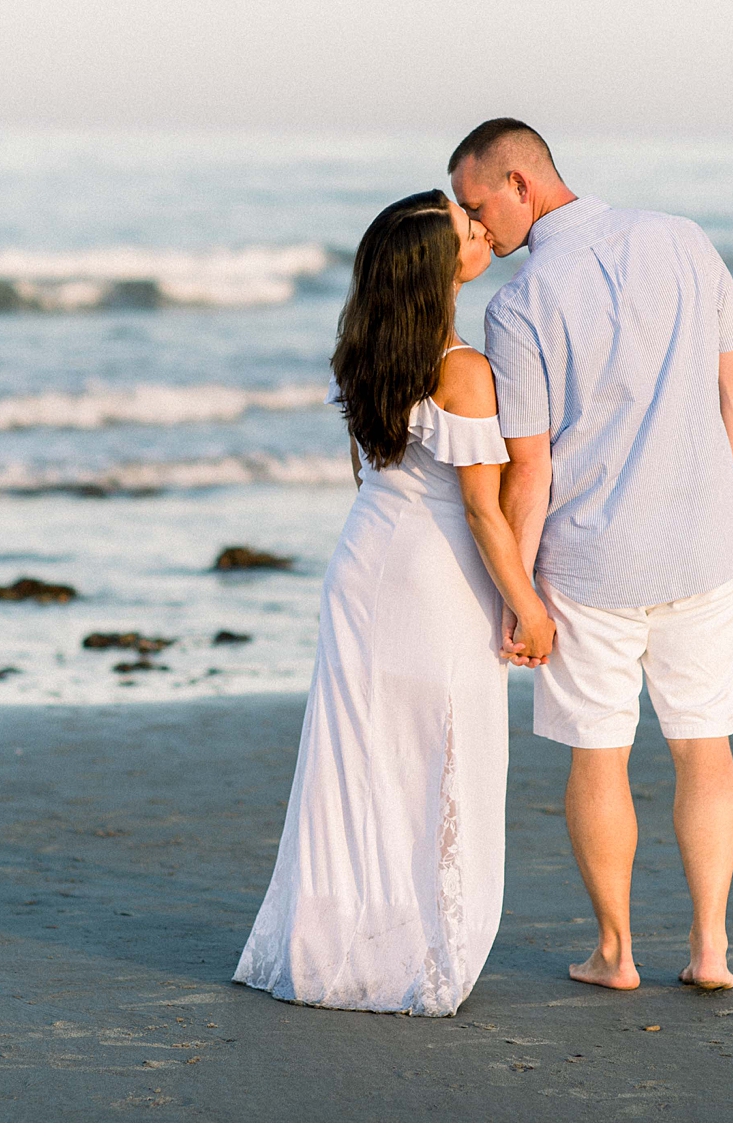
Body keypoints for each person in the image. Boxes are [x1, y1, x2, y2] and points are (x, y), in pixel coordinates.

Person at [450, 118, 733, 994]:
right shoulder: (681, 239)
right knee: (705, 746)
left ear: (520, 183)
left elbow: (532, 464)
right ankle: (710, 950)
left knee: (600, 754)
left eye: (478, 206)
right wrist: (713, 489)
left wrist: (518, 591)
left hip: (590, 561)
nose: (479, 231)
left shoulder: (517, 304)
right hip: (705, 543)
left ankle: (616, 953)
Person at [233, 189, 556, 1016]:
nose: (481, 231)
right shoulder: (464, 368)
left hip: (362, 560)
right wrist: (529, 607)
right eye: (464, 228)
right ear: (437, 268)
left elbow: (376, 470)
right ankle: (420, 949)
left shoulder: (366, 350)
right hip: (431, 578)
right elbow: (483, 511)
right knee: (441, 754)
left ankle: (331, 944)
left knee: (357, 761)